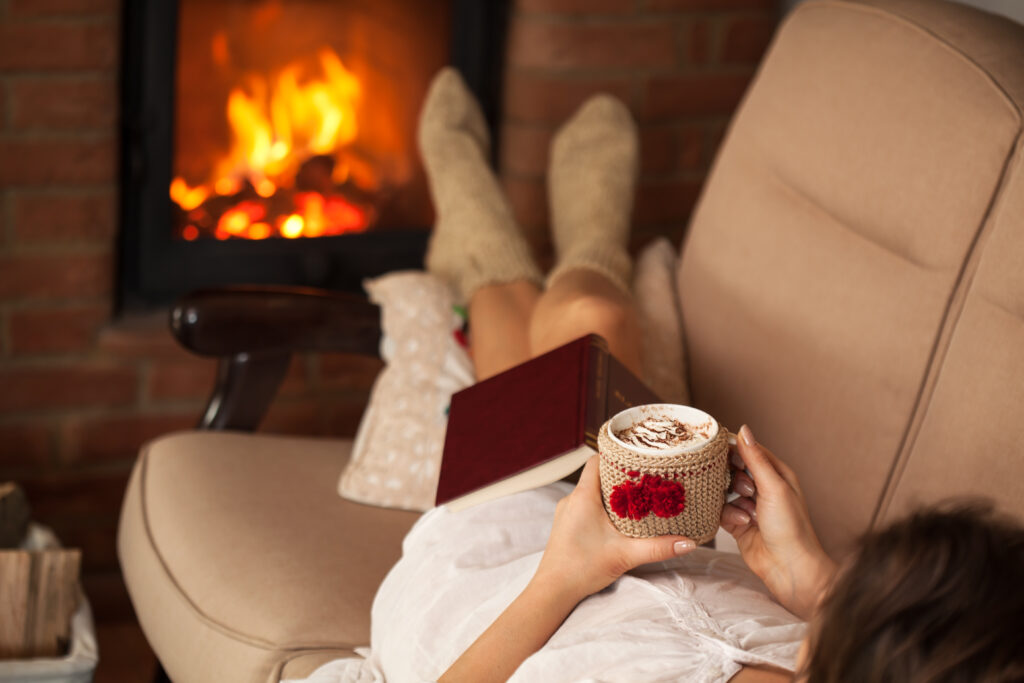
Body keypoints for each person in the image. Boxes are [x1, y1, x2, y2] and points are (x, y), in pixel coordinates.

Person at [294, 69, 1024, 682]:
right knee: (590, 346)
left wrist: (559, 578)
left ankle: (484, 230)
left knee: (556, 344)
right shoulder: (848, 646)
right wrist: (819, 586)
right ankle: (569, 241)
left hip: (502, 578)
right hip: (649, 543)